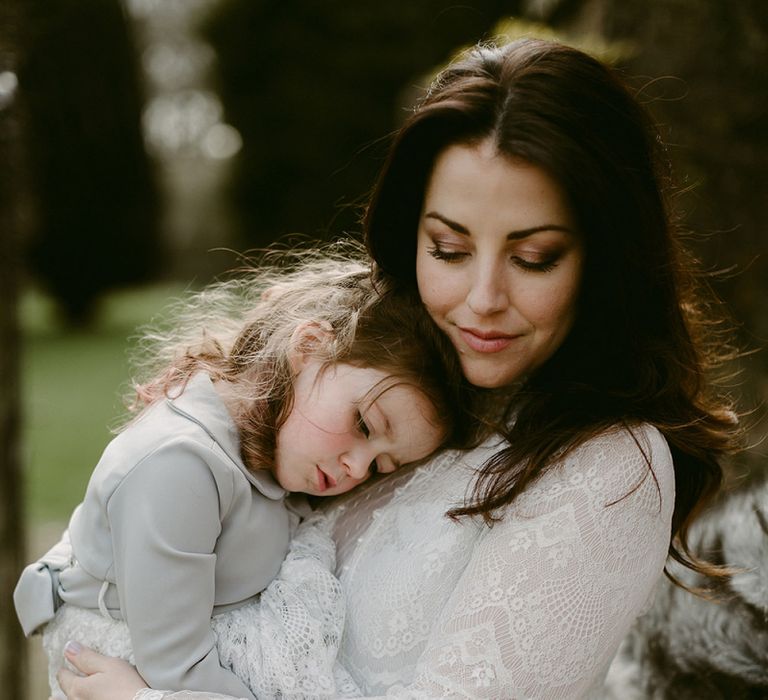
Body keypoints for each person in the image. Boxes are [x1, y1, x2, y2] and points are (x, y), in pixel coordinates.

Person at [53, 37, 741, 699]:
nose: (482, 301)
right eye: (448, 248)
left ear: (606, 262)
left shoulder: (610, 467)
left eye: (534, 259)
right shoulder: (371, 369)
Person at [15, 257, 471, 699]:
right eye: (366, 425)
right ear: (308, 348)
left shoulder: (282, 456)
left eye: (380, 466)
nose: (358, 468)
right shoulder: (181, 468)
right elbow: (177, 668)